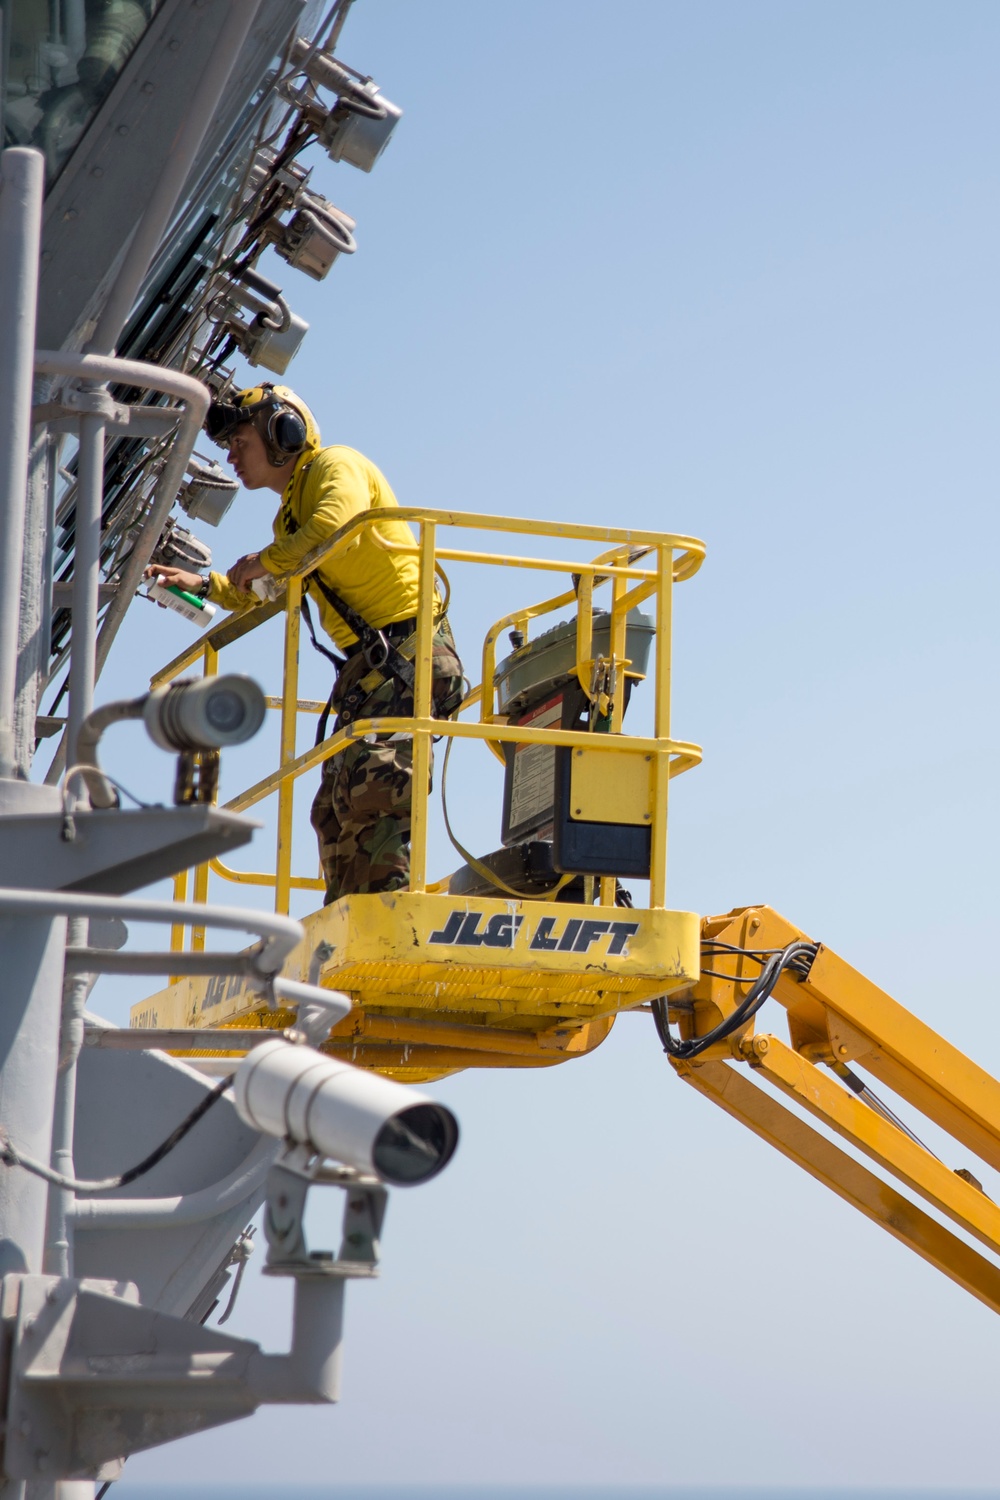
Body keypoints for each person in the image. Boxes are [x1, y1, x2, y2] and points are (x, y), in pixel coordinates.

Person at [147, 383, 463, 903]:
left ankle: (387, 913)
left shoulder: (336, 467)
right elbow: (272, 586)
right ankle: (349, 920)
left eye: (239, 441)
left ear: (281, 432)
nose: (231, 457)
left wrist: (262, 561)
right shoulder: (288, 519)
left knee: (376, 785)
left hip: (412, 651)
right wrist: (206, 586)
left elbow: (332, 527)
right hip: (371, 670)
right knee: (333, 806)